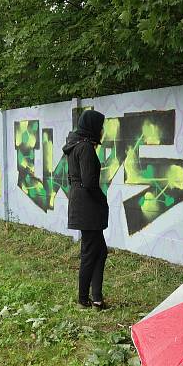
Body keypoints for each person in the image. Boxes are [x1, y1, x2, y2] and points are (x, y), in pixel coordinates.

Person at [63, 110, 109, 310]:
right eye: (100, 127)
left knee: (98, 251)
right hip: (88, 206)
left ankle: (96, 298)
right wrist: (102, 198)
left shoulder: (74, 146)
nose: (102, 131)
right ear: (92, 128)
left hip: (80, 203)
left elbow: (72, 178)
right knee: (91, 252)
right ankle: (84, 299)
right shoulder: (86, 148)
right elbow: (90, 182)